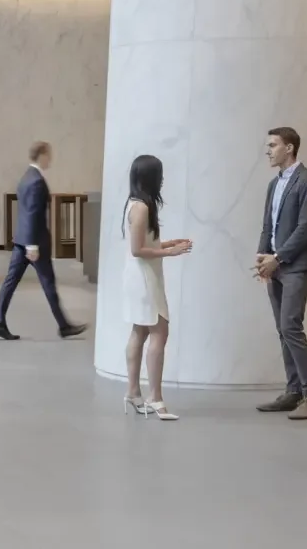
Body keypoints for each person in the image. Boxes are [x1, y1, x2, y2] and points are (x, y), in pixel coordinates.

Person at [253, 125, 307, 421]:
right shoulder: (274, 184)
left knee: (291, 327)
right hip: (275, 267)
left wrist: (279, 258)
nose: (268, 151)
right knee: (283, 331)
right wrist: (262, 258)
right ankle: (294, 391)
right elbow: (267, 225)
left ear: (290, 148)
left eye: (272, 145)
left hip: (297, 266)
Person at [0, 141, 86, 340]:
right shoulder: (36, 181)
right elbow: (33, 213)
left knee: (10, 282)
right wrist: (32, 245)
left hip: (21, 240)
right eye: (49, 155)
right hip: (34, 244)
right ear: (42, 155)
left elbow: (24, 212)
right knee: (48, 284)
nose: (50, 159)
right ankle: (64, 326)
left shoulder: (25, 178)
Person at [120, 154, 191, 421]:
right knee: (159, 331)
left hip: (140, 276)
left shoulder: (136, 203)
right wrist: (171, 253)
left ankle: (134, 392)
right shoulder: (141, 208)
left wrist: (170, 243)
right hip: (144, 277)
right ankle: (154, 397)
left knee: (139, 330)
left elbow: (145, 242)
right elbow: (138, 250)